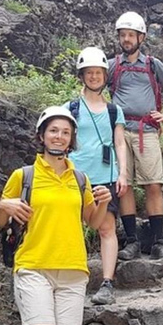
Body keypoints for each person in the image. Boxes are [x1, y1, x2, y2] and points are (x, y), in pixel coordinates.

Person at [0, 106, 112, 325]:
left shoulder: (80, 178)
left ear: (72, 139)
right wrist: (3, 205)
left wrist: (102, 203)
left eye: (66, 132)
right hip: (33, 266)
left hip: (73, 271)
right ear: (42, 135)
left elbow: (92, 223)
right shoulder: (24, 176)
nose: (59, 136)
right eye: (53, 130)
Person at [109, 11, 163, 261]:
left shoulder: (153, 64)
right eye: (123, 35)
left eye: (131, 35)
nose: (127, 39)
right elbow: (94, 88)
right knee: (124, 186)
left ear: (141, 37)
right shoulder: (113, 65)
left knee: (153, 184)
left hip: (146, 130)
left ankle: (159, 242)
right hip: (119, 131)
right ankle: (131, 241)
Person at [62, 47, 128, 305]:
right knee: (71, 226)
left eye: (98, 73)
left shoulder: (114, 111)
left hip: (106, 176)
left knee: (106, 228)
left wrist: (123, 173)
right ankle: (70, 279)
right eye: (89, 73)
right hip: (75, 176)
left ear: (105, 76)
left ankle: (107, 283)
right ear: (82, 75)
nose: (94, 77)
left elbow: (120, 143)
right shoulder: (70, 108)